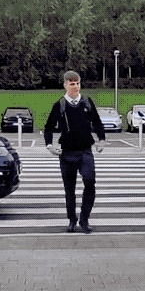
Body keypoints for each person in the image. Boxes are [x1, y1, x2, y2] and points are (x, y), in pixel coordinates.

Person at [44, 71, 106, 233]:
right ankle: (72, 219)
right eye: (72, 84)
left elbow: (97, 122)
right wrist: (49, 145)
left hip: (85, 151)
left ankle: (84, 219)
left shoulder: (87, 102)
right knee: (69, 189)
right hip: (67, 153)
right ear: (65, 85)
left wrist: (101, 139)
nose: (76, 86)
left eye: (78, 83)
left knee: (90, 183)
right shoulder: (60, 105)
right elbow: (48, 127)